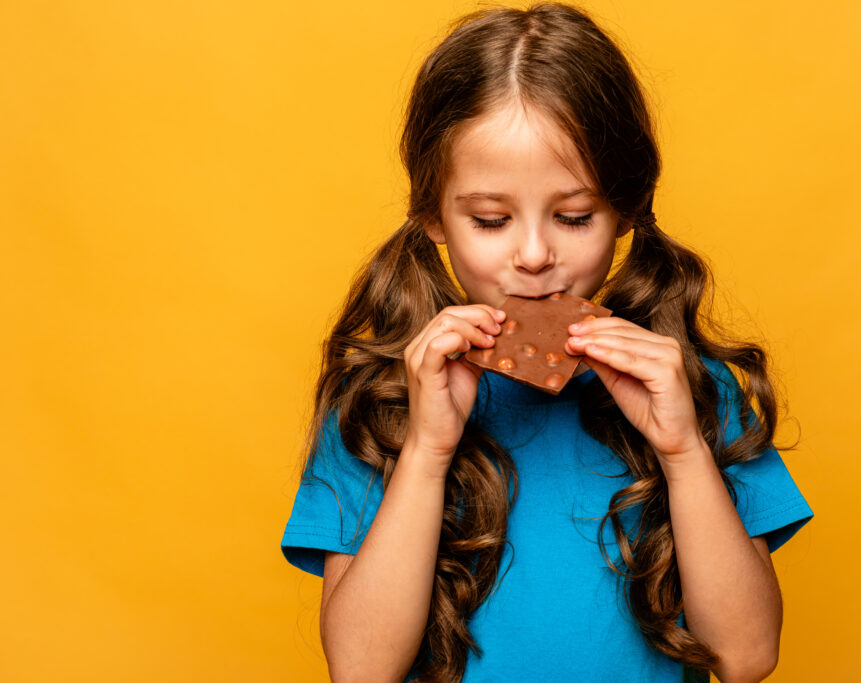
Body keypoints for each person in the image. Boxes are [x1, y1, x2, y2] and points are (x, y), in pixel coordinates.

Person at [280, 3, 814, 682]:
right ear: (433, 217)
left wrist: (681, 451)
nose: (534, 254)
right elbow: (360, 669)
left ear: (623, 208)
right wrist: (427, 449)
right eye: (491, 219)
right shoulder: (384, 401)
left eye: (572, 215)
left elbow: (746, 656)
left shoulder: (692, 386)